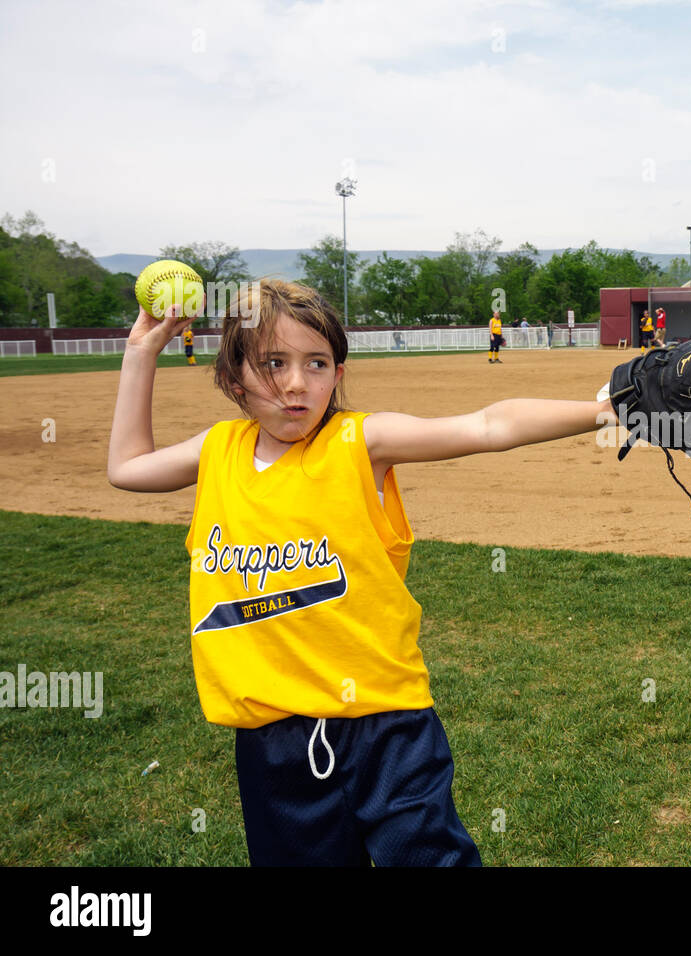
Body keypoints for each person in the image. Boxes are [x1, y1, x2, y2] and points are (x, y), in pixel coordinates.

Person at [106, 279, 621, 866]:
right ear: (232, 379)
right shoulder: (217, 450)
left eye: (317, 363)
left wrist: (605, 410)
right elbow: (127, 467)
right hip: (272, 742)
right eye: (274, 363)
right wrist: (140, 352)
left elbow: (486, 426)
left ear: (338, 375)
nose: (298, 383)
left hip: (386, 728)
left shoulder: (359, 442)